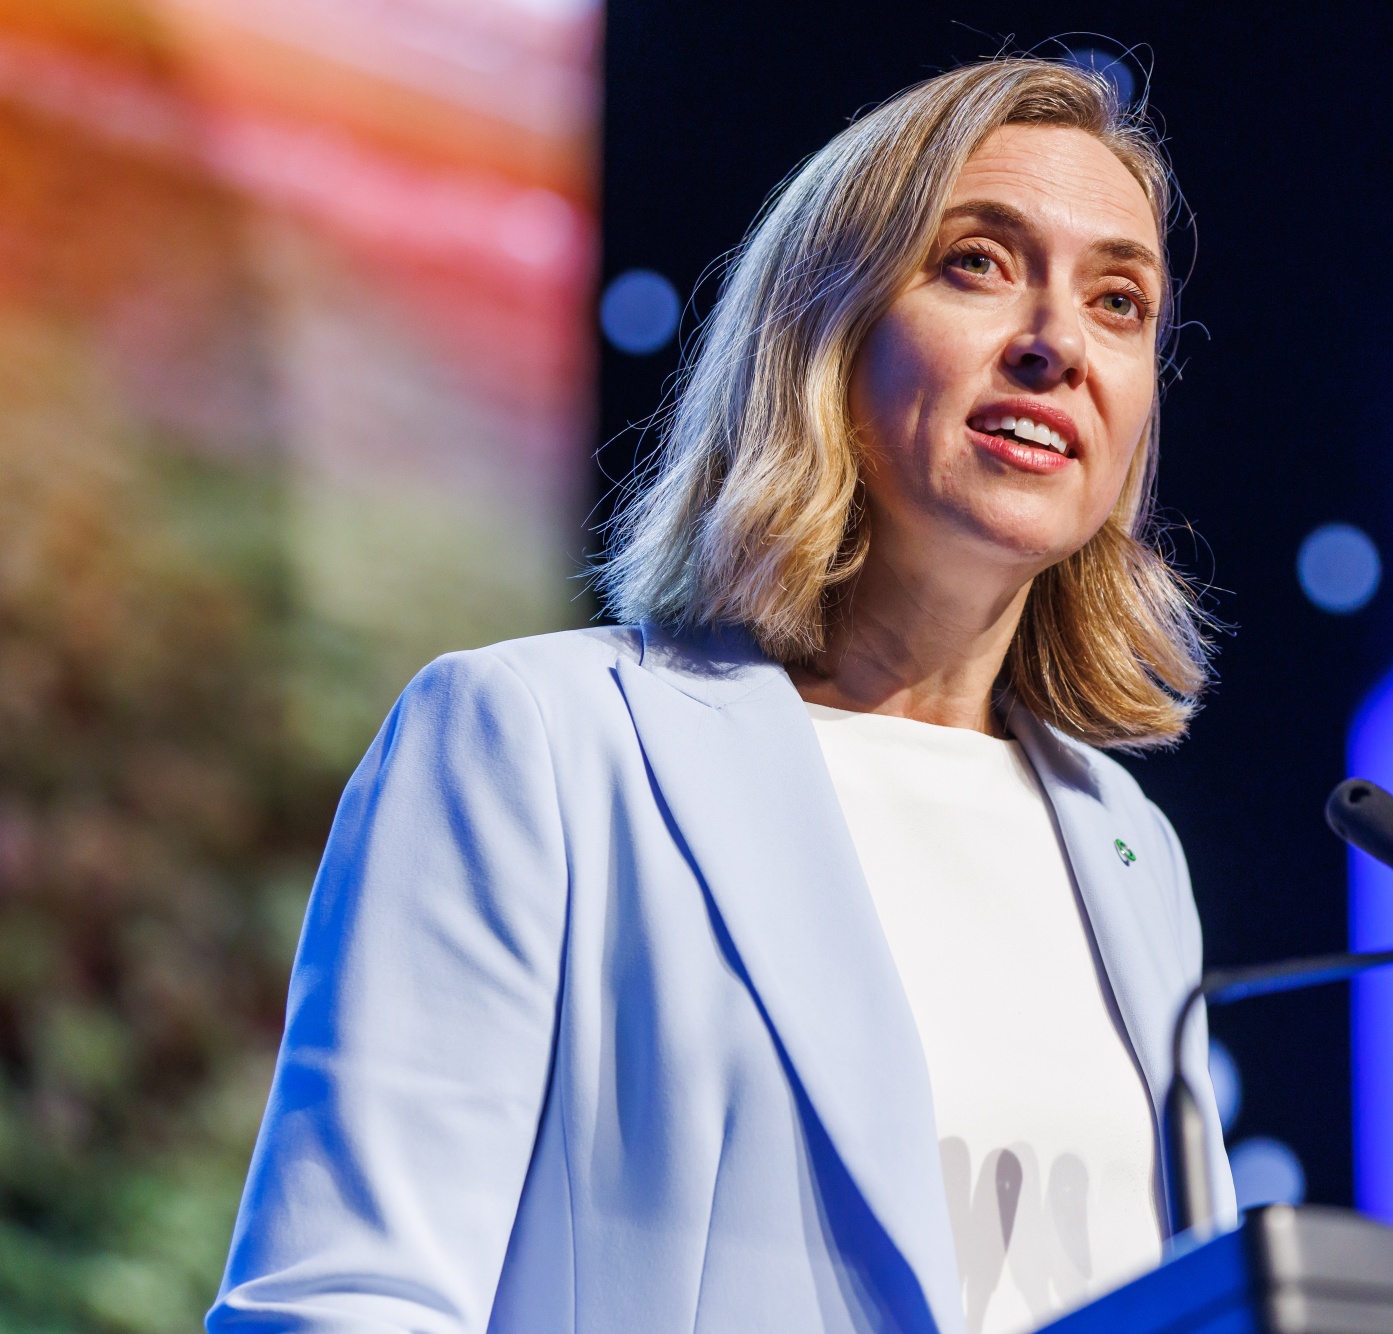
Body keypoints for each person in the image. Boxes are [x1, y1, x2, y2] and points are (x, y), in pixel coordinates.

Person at [208, 56, 1234, 1334]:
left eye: (1118, 301)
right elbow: (346, 1297)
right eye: (975, 263)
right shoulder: (535, 741)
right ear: (823, 333)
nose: (1057, 343)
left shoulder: (1130, 848)